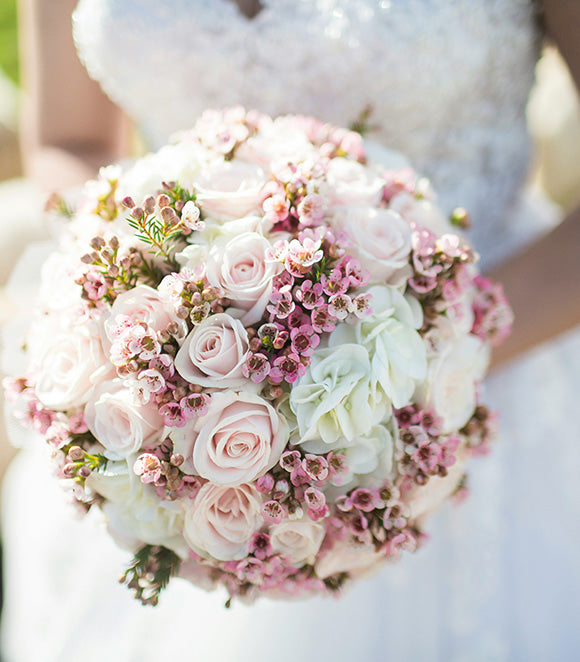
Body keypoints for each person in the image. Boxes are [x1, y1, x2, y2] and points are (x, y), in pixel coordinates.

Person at [1, 1, 579, 660]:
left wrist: (430, 354)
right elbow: (72, 144)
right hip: (161, 421)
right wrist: (155, 278)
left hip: (483, 377)